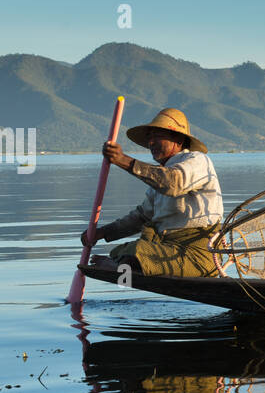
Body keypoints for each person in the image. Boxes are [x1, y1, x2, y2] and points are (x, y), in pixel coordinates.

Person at [80, 107, 224, 277]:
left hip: (199, 255)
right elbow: (142, 217)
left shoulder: (197, 160)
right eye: (150, 138)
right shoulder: (160, 174)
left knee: (136, 253)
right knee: (124, 251)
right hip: (168, 249)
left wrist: (122, 160)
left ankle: (123, 267)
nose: (151, 143)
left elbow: (173, 182)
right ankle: (123, 265)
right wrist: (101, 232)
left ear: (177, 139)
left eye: (157, 136)